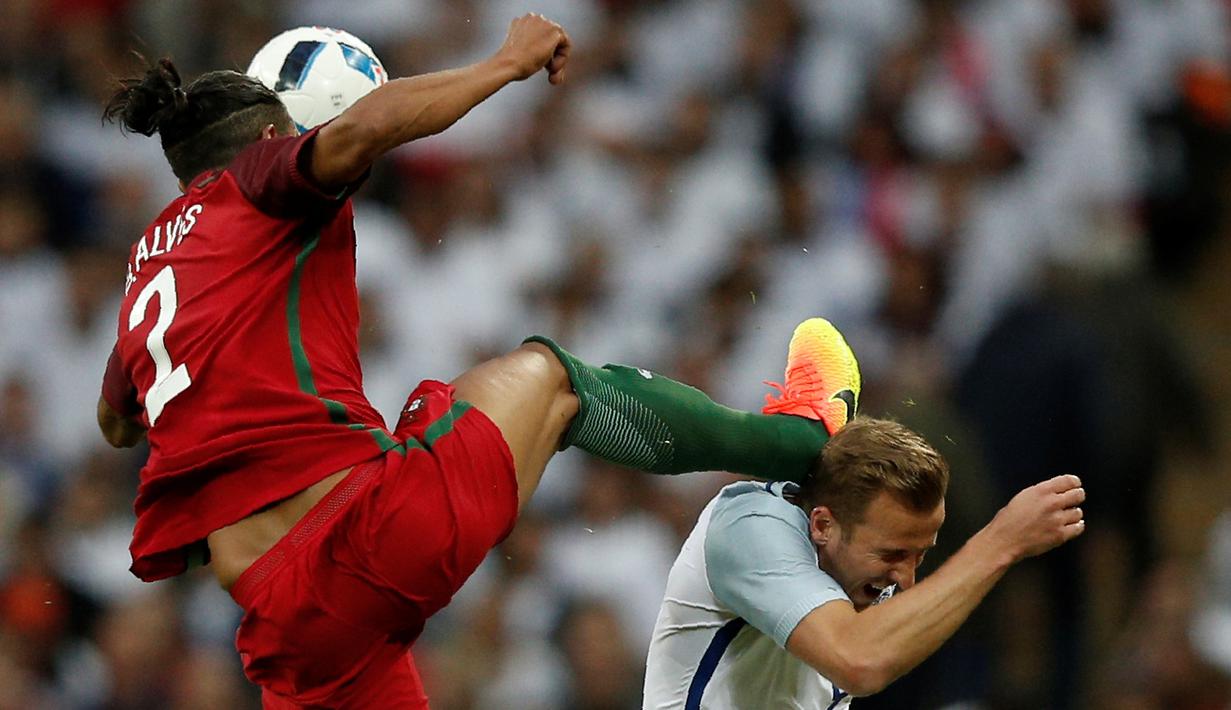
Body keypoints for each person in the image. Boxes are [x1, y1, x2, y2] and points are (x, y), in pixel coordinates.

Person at [95, 14, 864, 709]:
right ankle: (802, 437)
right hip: (356, 540)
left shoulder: (146, 268)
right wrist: (505, 62)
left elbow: (116, 423)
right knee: (550, 380)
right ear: (270, 137)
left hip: (285, 625)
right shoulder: (257, 183)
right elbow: (362, 131)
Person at [642, 390, 1086, 709]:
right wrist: (999, 542)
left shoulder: (861, 581)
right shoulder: (750, 524)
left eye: (920, 555)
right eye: (892, 554)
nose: (906, 580)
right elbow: (858, 662)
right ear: (822, 524)